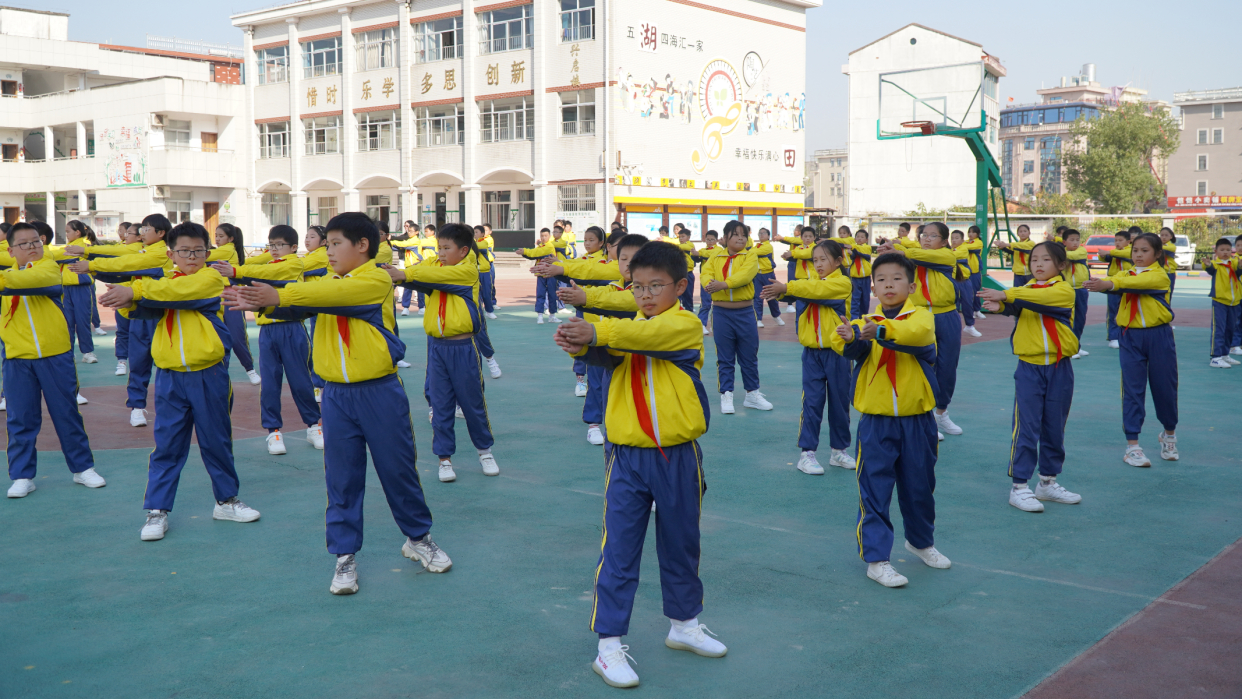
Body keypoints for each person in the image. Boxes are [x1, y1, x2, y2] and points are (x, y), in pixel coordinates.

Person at [225, 212, 450, 594]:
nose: (327, 251)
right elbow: (306, 302)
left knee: (398, 471)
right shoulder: (325, 283)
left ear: (362, 245)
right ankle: (344, 557)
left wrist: (279, 294)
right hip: (337, 397)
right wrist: (260, 299)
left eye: (334, 244)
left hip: (379, 392)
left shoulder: (375, 278)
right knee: (342, 478)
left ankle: (418, 538)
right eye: (325, 244)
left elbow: (335, 297)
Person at [553, 241, 725, 690]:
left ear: (682, 287)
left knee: (682, 543)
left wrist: (596, 330)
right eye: (637, 287)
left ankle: (684, 624)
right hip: (627, 458)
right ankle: (608, 646)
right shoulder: (628, 329)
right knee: (619, 551)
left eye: (655, 286)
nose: (645, 295)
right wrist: (578, 343)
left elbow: (647, 338)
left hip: (678, 456)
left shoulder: (684, 325)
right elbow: (608, 351)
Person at [99, 222, 259, 541]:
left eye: (199, 250)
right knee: (167, 445)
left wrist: (137, 292)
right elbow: (144, 309)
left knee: (216, 441)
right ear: (171, 254)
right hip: (170, 376)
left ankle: (226, 501)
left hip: (208, 374)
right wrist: (130, 301)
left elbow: (181, 294)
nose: (192, 257)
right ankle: (157, 510)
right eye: (185, 251)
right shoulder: (162, 282)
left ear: (207, 252)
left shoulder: (210, 278)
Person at [836, 252, 950, 588]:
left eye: (897, 278)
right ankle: (876, 559)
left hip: (917, 420)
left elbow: (914, 334)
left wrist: (877, 330)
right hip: (877, 421)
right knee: (874, 489)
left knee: (919, 487)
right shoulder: (865, 320)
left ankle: (920, 541)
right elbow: (847, 339)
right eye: (881, 279)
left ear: (912, 285)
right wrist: (849, 335)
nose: (888, 284)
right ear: (872, 286)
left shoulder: (922, 318)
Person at [3, 222, 106, 499]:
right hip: (17, 359)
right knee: (20, 419)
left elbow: (29, 282)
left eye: (36, 241)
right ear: (11, 251)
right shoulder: (7, 277)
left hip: (55, 355)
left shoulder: (48, 268)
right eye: (24, 244)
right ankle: (22, 475)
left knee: (67, 413)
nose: (32, 247)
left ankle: (82, 468)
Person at [978, 242, 1082, 513]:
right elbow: (1018, 306)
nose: (1037, 264)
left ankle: (1047, 482)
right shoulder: (1023, 292)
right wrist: (1000, 306)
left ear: (1061, 266)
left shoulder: (1063, 290)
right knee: (1026, 426)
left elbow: (1037, 301)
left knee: (1054, 426)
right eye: (1034, 259)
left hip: (1059, 367)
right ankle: (1020, 487)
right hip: (1029, 368)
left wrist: (1005, 296)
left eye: (1046, 260)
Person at [392, 223, 500, 483]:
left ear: (463, 251)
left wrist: (404, 275)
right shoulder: (435, 267)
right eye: (438, 247)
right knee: (439, 405)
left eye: (446, 248)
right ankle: (444, 459)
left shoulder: (466, 272)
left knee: (472, 403)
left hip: (464, 348)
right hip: (438, 349)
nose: (439, 252)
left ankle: (484, 452)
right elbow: (421, 271)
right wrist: (401, 273)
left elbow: (427, 276)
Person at [212, 225, 324, 454]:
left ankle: (314, 426)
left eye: (279, 245)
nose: (274, 250)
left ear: (293, 248)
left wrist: (235, 272)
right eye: (271, 245)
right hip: (268, 333)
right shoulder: (266, 263)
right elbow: (256, 268)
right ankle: (273, 432)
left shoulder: (294, 264)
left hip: (292, 329)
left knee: (301, 381)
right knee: (270, 384)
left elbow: (269, 274)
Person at [68, 214, 174, 427]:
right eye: (141, 229)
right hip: (141, 313)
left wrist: (90, 262)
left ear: (161, 233)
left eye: (146, 229)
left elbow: (127, 263)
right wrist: (91, 258)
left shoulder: (162, 253)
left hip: (163, 315)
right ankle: (137, 407)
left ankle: (167, 409)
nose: (142, 233)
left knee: (167, 365)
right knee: (139, 361)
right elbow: (119, 254)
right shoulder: (144, 248)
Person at [1083, 232, 1179, 466]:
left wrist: (1108, 283)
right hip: (1130, 337)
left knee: (1165, 387)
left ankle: (1169, 435)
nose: (1138, 255)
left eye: (1144, 251)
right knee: (1133, 389)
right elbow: (1121, 282)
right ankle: (1132, 446)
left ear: (1157, 254)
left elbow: (1135, 284)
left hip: (1159, 336)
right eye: (1135, 250)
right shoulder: (1125, 273)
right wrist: (1101, 284)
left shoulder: (1160, 276)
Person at [760, 239, 855, 474]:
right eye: (815, 260)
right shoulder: (808, 283)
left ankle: (839, 451)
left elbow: (817, 292)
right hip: (812, 354)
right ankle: (807, 454)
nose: (819, 264)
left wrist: (787, 288)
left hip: (839, 353)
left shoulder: (842, 284)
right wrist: (780, 291)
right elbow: (803, 291)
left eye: (824, 259)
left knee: (840, 403)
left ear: (838, 261)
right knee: (812, 403)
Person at [551, 231, 640, 445]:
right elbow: (591, 272)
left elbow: (621, 300)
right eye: (622, 256)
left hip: (619, 342)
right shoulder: (609, 275)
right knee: (597, 381)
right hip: (599, 337)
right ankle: (594, 424)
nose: (626, 262)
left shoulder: (642, 290)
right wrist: (565, 271)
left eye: (632, 258)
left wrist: (584, 296)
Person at [878, 222, 964, 439]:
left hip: (947, 316)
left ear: (944, 242)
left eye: (933, 236)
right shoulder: (910, 258)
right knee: (921, 366)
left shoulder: (946, 257)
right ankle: (925, 417)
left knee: (947, 366)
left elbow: (916, 254)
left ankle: (941, 413)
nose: (926, 239)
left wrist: (901, 250)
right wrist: (891, 250)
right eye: (924, 235)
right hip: (918, 316)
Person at [701, 221, 771, 414]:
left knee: (749, 355)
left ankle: (752, 394)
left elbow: (745, 276)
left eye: (744, 235)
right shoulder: (715, 255)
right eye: (735, 235)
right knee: (725, 357)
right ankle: (726, 394)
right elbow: (705, 273)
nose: (741, 238)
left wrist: (723, 285)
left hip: (745, 312)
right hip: (722, 313)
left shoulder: (750, 255)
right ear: (725, 238)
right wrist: (709, 284)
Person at [70, 222, 143, 376]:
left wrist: (90, 261)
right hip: (122, 298)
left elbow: (112, 258)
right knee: (123, 332)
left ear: (139, 237)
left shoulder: (138, 251)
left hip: (136, 299)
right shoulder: (125, 247)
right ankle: (122, 361)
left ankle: (90, 350)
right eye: (123, 231)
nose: (123, 234)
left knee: (138, 335)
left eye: (128, 232)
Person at [202, 223, 262, 385]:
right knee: (218, 335)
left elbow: (205, 256)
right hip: (217, 295)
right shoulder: (217, 251)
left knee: (237, 335)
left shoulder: (228, 250)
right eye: (216, 235)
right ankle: (221, 370)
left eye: (221, 236)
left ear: (231, 238)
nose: (218, 238)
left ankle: (250, 369)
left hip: (232, 294)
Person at [61, 220, 99, 364]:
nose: (66, 234)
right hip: (66, 289)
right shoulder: (68, 247)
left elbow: (61, 256)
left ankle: (88, 352)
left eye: (68, 231)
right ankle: (68, 352)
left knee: (82, 321)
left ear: (77, 232)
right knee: (67, 322)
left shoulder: (84, 246)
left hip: (82, 288)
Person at [518, 226, 569, 324]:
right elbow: (534, 255)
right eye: (542, 236)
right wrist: (523, 253)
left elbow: (536, 253)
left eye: (545, 235)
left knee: (552, 294)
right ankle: (540, 316)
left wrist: (524, 251)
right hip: (541, 274)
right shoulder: (541, 246)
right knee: (540, 294)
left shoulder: (549, 247)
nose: (543, 238)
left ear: (549, 236)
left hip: (550, 274)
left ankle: (552, 315)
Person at [1205, 238, 1241, 368]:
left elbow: (1239, 270)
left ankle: (1225, 354)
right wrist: (1207, 264)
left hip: (1234, 301)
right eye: (1222, 250)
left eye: (1227, 250)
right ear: (1216, 251)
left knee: (1230, 329)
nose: (1225, 252)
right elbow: (1209, 268)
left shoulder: (1235, 262)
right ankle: (1215, 357)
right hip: (1220, 301)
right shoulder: (1216, 265)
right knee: (1218, 329)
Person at [1098, 230, 1133, 349]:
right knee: (1113, 310)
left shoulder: (1130, 251)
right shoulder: (1113, 253)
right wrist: (1102, 254)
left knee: (1128, 309)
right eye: (1115, 240)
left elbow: (1126, 254)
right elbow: (1103, 258)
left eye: (1120, 240)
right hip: (1113, 283)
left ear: (1128, 242)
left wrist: (1109, 252)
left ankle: (1127, 335)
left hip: (1128, 283)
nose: (1117, 243)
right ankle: (1113, 337)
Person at [1062, 230, 1091, 359]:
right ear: (1064, 242)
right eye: (1071, 240)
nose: (1075, 242)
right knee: (1067, 319)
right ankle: (1067, 347)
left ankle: (1076, 346)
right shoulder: (1061, 253)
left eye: (1077, 240)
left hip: (1080, 289)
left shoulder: (1081, 251)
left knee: (1080, 318)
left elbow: (1071, 256)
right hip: (1066, 289)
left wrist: (1060, 252)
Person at [951, 230, 982, 338]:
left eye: (956, 238)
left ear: (962, 240)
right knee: (953, 305)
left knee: (968, 303)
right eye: (952, 238)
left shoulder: (963, 249)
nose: (954, 240)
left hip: (964, 280)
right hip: (952, 281)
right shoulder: (949, 250)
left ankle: (969, 326)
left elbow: (952, 256)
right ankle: (953, 328)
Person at [751, 228, 784, 326]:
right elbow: (753, 251)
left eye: (763, 233)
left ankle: (776, 316)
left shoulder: (768, 246)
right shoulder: (756, 246)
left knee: (771, 295)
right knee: (758, 297)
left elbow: (755, 252)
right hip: (758, 274)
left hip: (768, 274)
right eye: (759, 233)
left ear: (768, 236)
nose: (761, 235)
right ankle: (758, 319)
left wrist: (752, 250)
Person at [692, 230, 722, 333]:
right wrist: (695, 255)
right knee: (705, 303)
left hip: (718, 279)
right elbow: (698, 258)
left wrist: (699, 253)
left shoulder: (718, 249)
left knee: (719, 303)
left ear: (716, 240)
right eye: (707, 239)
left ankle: (716, 325)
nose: (709, 241)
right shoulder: (703, 250)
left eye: (712, 239)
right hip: (705, 279)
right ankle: (702, 324)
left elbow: (710, 253)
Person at [847, 228, 874, 319]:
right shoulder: (853, 248)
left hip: (866, 279)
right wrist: (852, 252)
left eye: (862, 237)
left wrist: (853, 249)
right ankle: (854, 321)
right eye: (857, 236)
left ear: (866, 240)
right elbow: (853, 256)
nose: (859, 238)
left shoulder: (867, 248)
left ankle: (863, 319)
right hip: (855, 279)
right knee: (854, 300)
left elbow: (862, 253)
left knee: (865, 301)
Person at [476, 224, 498, 319]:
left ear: (482, 234)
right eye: (474, 232)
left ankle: (489, 311)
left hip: (485, 271)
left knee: (486, 292)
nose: (475, 234)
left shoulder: (485, 241)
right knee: (476, 294)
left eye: (476, 232)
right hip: (476, 271)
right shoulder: (472, 243)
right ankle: (478, 312)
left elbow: (479, 247)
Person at [965, 225, 985, 320]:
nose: (970, 234)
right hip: (965, 272)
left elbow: (969, 248)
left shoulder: (978, 242)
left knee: (976, 291)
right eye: (969, 232)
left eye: (973, 232)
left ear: (977, 234)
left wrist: (961, 245)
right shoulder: (965, 242)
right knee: (967, 293)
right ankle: (971, 310)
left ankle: (977, 310)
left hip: (975, 272)